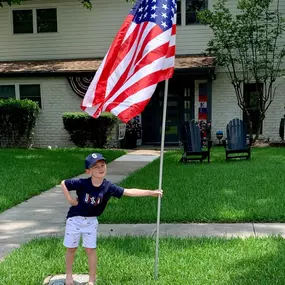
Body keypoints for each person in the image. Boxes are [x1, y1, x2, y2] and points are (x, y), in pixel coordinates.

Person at [61, 152, 163, 285]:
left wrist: (151, 192)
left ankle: (92, 280)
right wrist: (71, 200)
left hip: (91, 221)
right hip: (75, 219)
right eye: (95, 166)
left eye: (102, 165)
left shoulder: (108, 187)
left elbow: (128, 191)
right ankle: (69, 276)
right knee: (71, 248)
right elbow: (64, 183)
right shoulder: (82, 183)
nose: (100, 168)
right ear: (88, 171)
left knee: (90, 249)